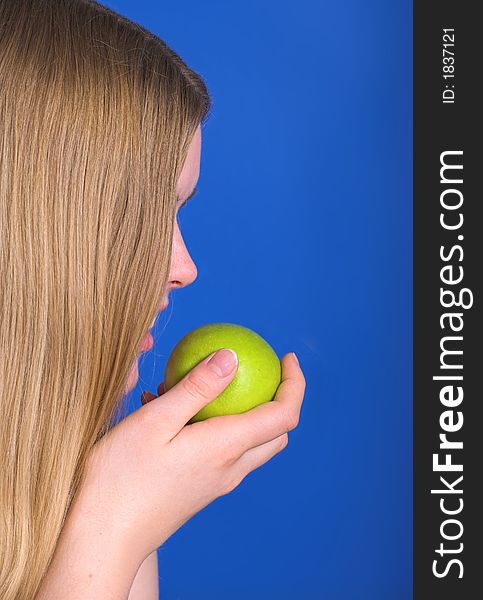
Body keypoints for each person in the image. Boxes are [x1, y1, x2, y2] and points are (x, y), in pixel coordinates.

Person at [0, 1, 306, 598]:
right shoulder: (101, 510)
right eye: (139, 217)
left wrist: (123, 494)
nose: (185, 269)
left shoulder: (61, 480)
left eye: (176, 213)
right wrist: (113, 524)